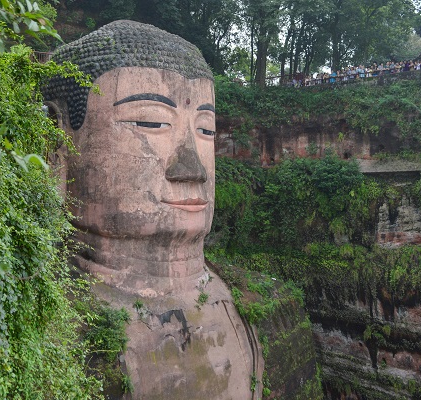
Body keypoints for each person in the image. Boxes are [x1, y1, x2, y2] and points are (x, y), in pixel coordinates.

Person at [43, 20, 262, 399]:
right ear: (56, 141)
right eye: (152, 122)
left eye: (205, 130)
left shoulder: (239, 303)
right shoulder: (49, 330)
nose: (191, 168)